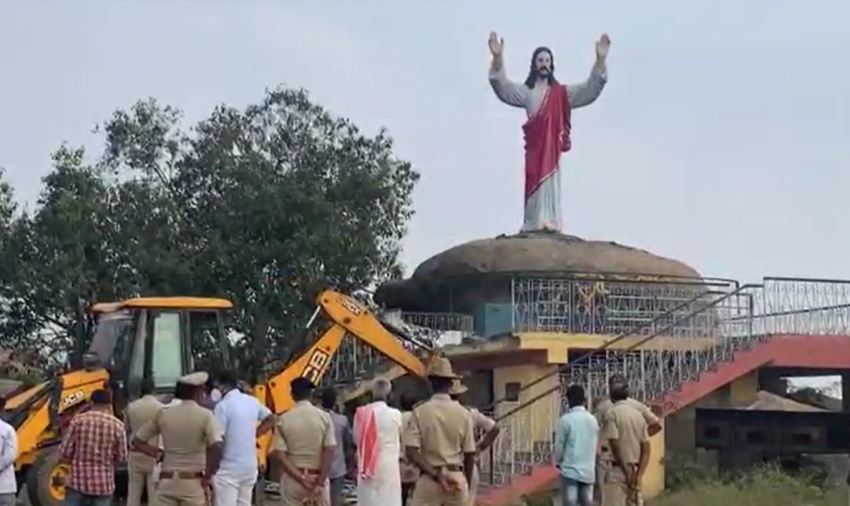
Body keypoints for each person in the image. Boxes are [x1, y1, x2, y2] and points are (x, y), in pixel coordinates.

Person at [487, 30, 610, 233]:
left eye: (547, 60)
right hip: (535, 148)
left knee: (551, 183)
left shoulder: (561, 94)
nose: (544, 63)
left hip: (551, 149)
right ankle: (533, 221)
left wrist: (600, 61)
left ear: (552, 65)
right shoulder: (527, 92)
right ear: (534, 64)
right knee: (533, 181)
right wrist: (498, 57)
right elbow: (504, 88)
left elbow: (588, 91)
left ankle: (550, 219)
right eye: (540, 60)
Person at [132, 372, 224, 506]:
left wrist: (158, 453)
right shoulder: (205, 415)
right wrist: (208, 475)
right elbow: (217, 446)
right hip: (193, 482)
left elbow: (137, 441)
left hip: (167, 482)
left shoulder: (164, 414)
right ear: (198, 392)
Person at [404, 357, 476, 506]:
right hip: (456, 476)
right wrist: (467, 484)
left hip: (429, 478)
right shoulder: (464, 414)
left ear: (430, 384)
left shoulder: (419, 411)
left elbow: (411, 451)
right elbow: (469, 454)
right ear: (451, 384)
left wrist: (437, 475)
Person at [593, 375, 661, 505]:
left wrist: (626, 471)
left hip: (614, 467)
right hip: (635, 468)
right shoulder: (638, 410)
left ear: (610, 392)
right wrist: (638, 475)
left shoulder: (608, 410)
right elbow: (647, 445)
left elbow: (615, 445)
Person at [212, 371, 276, 506]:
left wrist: (212, 467)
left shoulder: (222, 406)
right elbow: (271, 419)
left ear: (223, 386)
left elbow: (218, 440)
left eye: (216, 386)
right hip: (249, 467)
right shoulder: (252, 401)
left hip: (228, 469)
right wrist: (254, 434)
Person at [270, 377, 337, 506]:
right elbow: (330, 450)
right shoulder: (325, 418)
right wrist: (320, 483)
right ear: (311, 394)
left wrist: (301, 478)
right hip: (317, 478)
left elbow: (280, 455)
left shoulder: (284, 419)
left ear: (292, 394)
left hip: (293, 480)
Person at [59, 389, 128, 506]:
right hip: (103, 486)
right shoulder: (118, 426)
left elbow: (64, 453)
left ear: (91, 403)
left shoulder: (77, 421)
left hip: (78, 484)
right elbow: (122, 459)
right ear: (109, 405)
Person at [447, 380, 499, 506]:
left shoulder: (435, 414)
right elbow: (495, 428)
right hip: (467, 464)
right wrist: (480, 447)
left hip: (444, 466)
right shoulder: (470, 413)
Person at [353, 378, 402, 506]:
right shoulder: (396, 415)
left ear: (372, 394)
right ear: (389, 395)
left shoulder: (361, 414)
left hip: (366, 467)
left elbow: (356, 440)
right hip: (389, 467)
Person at [554, 385, 598, 506]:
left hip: (570, 471)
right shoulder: (592, 419)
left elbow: (559, 446)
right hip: (588, 471)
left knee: (570, 503)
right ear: (584, 400)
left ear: (569, 400)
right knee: (587, 503)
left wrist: (558, 461)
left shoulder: (565, 420)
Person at [124, 378, 165, 506]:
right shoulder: (161, 408)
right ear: (154, 389)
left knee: (133, 493)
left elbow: (126, 429)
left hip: (135, 454)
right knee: (154, 495)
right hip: (154, 454)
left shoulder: (131, 407)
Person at [320, 387, 353, 506]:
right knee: (334, 501)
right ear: (335, 402)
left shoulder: (316, 419)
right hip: (337, 468)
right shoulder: (342, 420)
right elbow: (348, 443)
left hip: (318, 468)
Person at [398, 393, 420, 506]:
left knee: (402, 495)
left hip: (400, 461)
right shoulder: (419, 417)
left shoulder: (397, 417)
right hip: (416, 461)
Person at [0, 397, 18, 506]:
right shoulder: (7, 429)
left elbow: (10, 456)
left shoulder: (7, 430)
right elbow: (10, 455)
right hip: (5, 488)